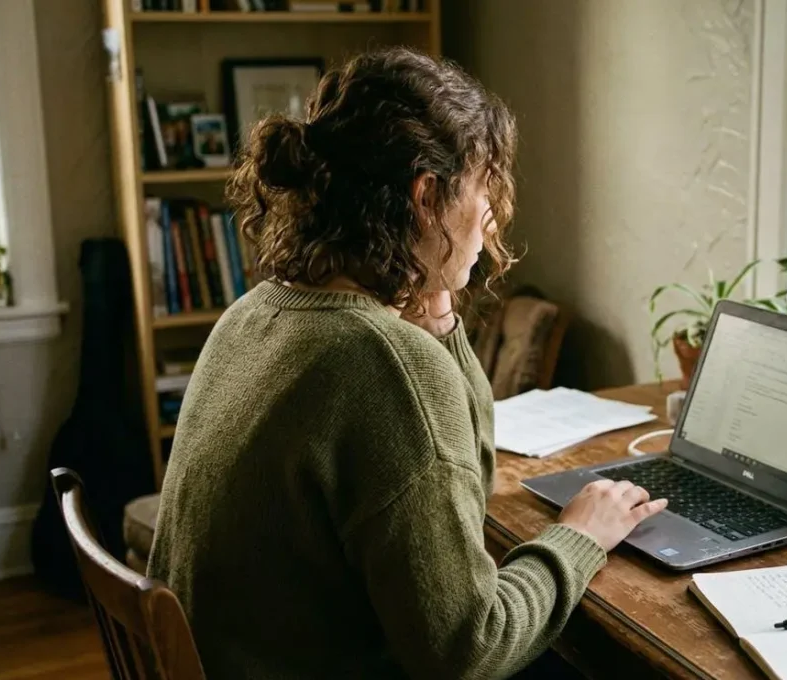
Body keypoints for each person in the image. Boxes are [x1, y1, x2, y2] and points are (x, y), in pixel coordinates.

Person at [146, 47, 667, 679]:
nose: (493, 218)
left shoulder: (256, 311)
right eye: (484, 190)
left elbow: (463, 494)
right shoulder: (382, 363)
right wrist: (581, 535)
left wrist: (439, 310)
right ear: (426, 196)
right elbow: (469, 650)